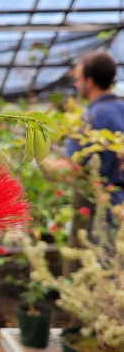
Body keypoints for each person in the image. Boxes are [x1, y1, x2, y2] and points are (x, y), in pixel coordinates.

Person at [45, 51, 124, 275]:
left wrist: (45, 162)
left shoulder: (90, 118)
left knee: (109, 278)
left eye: (77, 79)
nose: (75, 84)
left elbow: (73, 170)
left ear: (89, 82)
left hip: (108, 211)